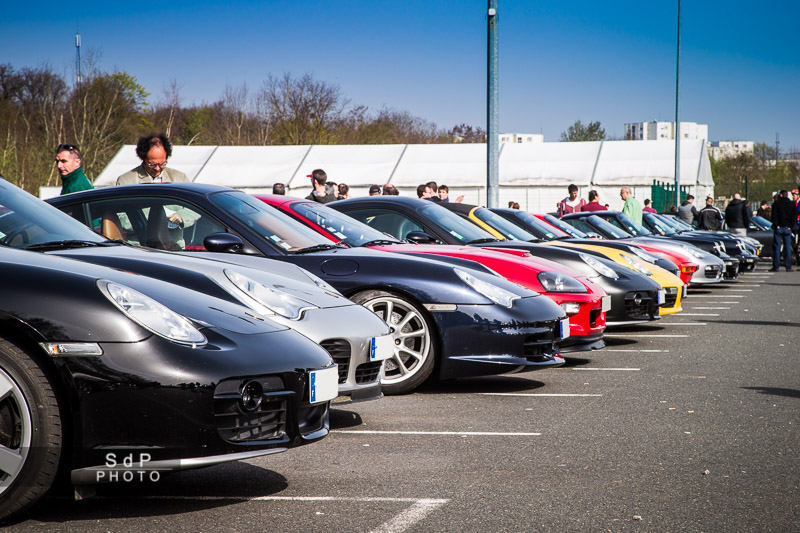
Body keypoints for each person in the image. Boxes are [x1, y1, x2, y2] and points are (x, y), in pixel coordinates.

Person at [117, 134, 188, 185]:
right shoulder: (126, 181)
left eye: (162, 164)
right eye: (152, 164)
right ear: (143, 159)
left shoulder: (181, 179)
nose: (157, 168)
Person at [770, 189, 795, 271]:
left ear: (780, 195)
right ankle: (788, 266)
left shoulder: (776, 203)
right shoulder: (791, 204)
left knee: (777, 247)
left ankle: (776, 266)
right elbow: (794, 216)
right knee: (787, 247)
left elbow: (773, 216)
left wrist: (776, 225)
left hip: (779, 227)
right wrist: (790, 226)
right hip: (787, 227)